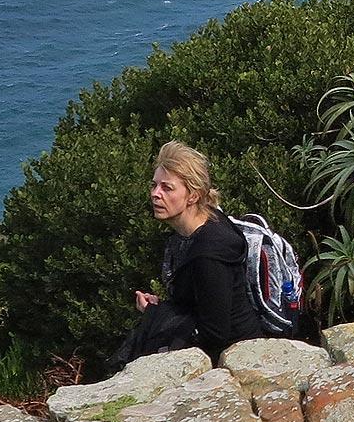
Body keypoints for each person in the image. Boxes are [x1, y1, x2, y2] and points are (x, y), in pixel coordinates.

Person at [106, 141, 294, 374]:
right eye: (154, 185)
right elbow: (203, 305)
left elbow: (215, 334)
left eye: (167, 188)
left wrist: (156, 314)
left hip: (236, 359)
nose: (155, 194)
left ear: (193, 195)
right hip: (240, 345)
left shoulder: (208, 254)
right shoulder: (210, 220)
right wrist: (163, 308)